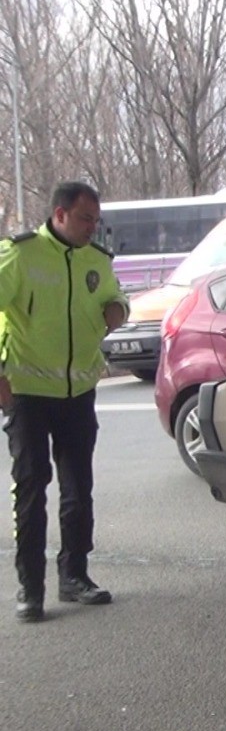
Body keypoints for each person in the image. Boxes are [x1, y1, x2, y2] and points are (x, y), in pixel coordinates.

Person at [1, 181, 130, 623]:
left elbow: (115, 296)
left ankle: (74, 575)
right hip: (28, 393)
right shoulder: (20, 254)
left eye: (96, 220)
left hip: (79, 392)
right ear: (59, 215)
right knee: (32, 490)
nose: (93, 228)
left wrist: (118, 309)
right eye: (84, 219)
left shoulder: (98, 260)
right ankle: (30, 588)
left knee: (79, 489)